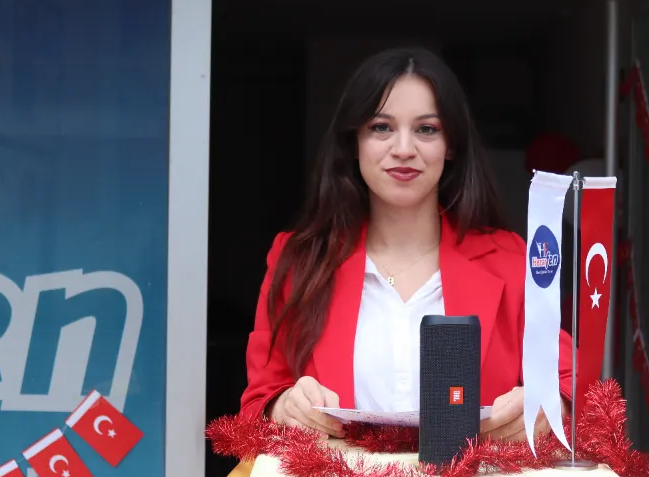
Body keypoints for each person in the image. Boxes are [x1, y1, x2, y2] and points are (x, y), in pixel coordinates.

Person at [240, 47, 581, 441]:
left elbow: (571, 384)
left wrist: (547, 408)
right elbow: (258, 400)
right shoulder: (300, 259)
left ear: (451, 145)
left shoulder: (510, 259)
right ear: (354, 142)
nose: (403, 149)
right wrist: (283, 407)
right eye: (381, 127)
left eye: (426, 129)